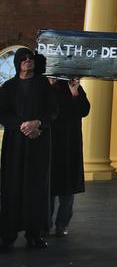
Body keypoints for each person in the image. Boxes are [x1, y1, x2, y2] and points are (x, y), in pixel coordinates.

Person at [0, 48, 58, 250]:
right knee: (12, 184)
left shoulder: (44, 85)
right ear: (17, 63)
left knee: (36, 186)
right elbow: (2, 114)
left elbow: (53, 111)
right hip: (14, 144)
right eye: (23, 59)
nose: (27, 61)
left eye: (30, 58)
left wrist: (37, 123)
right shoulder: (8, 87)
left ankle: (35, 234)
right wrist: (22, 126)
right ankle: (8, 234)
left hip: (39, 141)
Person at [48, 77, 90, 237]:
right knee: (48, 187)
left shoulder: (72, 86)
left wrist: (74, 92)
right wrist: (50, 87)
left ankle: (62, 224)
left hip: (69, 143)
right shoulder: (44, 86)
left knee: (67, 187)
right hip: (49, 142)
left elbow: (84, 110)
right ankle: (46, 224)